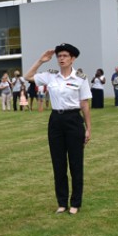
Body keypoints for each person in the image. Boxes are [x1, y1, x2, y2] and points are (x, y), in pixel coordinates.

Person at [26, 43, 92, 215]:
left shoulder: (80, 78)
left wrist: (88, 128)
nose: (61, 59)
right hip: (56, 120)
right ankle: (62, 202)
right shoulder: (50, 76)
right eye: (59, 56)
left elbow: (84, 104)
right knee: (58, 163)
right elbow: (28, 76)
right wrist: (41, 60)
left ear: (72, 59)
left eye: (64, 56)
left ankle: (75, 203)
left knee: (76, 163)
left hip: (73, 120)